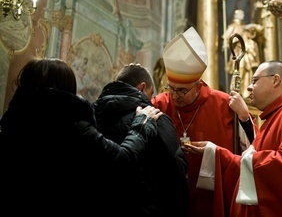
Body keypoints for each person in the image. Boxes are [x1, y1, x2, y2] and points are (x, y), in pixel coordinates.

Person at [0, 58, 162, 213]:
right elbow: (120, 161)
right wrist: (141, 125)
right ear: (66, 90)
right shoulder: (70, 125)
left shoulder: (12, 120)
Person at [184, 61, 282, 217]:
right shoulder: (276, 117)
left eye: (255, 81)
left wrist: (245, 159)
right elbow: (257, 162)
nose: (249, 87)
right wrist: (215, 153)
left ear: (275, 80)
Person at [151, 27, 254, 217]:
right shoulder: (160, 103)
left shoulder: (224, 105)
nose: (174, 96)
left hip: (211, 199)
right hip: (168, 198)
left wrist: (244, 118)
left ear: (198, 85)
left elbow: (251, 150)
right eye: (171, 88)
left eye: (182, 91)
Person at [93, 63, 189, 216]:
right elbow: (176, 175)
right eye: (151, 95)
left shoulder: (90, 114)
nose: (150, 101)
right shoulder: (156, 118)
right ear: (142, 88)